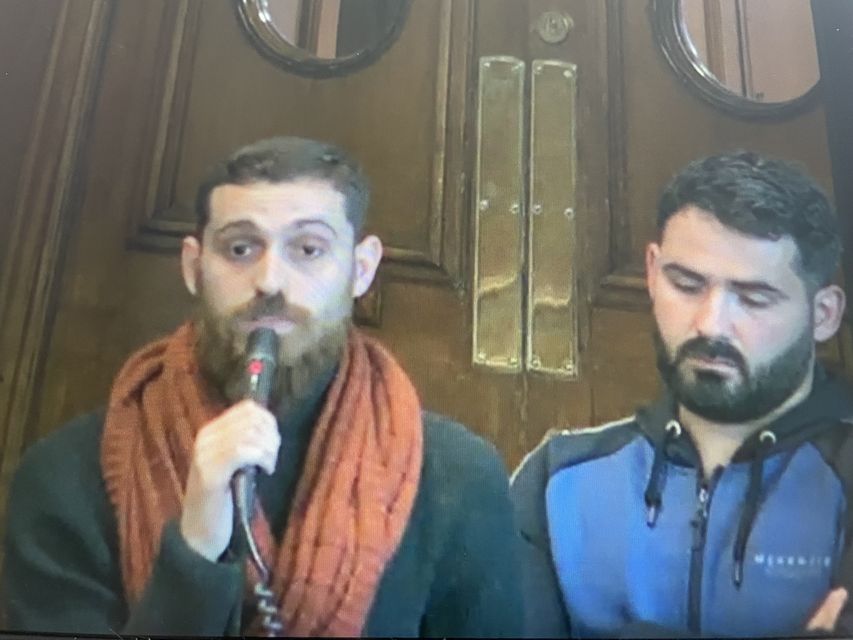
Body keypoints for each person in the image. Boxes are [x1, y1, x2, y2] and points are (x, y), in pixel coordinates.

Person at [1, 136, 522, 637]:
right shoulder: (64, 475)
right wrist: (195, 551)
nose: (270, 280)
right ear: (193, 267)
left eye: (310, 249)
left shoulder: (457, 477)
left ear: (361, 270)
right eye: (241, 247)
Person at [511, 150, 853, 638]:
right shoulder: (558, 479)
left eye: (754, 298)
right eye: (686, 284)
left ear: (823, 314)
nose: (711, 323)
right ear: (651, 272)